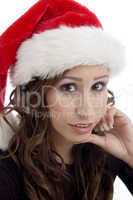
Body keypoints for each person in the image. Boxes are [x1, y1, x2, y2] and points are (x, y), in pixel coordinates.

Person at [0, 0, 133, 200]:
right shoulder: (7, 170)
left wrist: (131, 155)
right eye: (68, 88)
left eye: (98, 86)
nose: (87, 111)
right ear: (37, 95)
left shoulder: (108, 150)